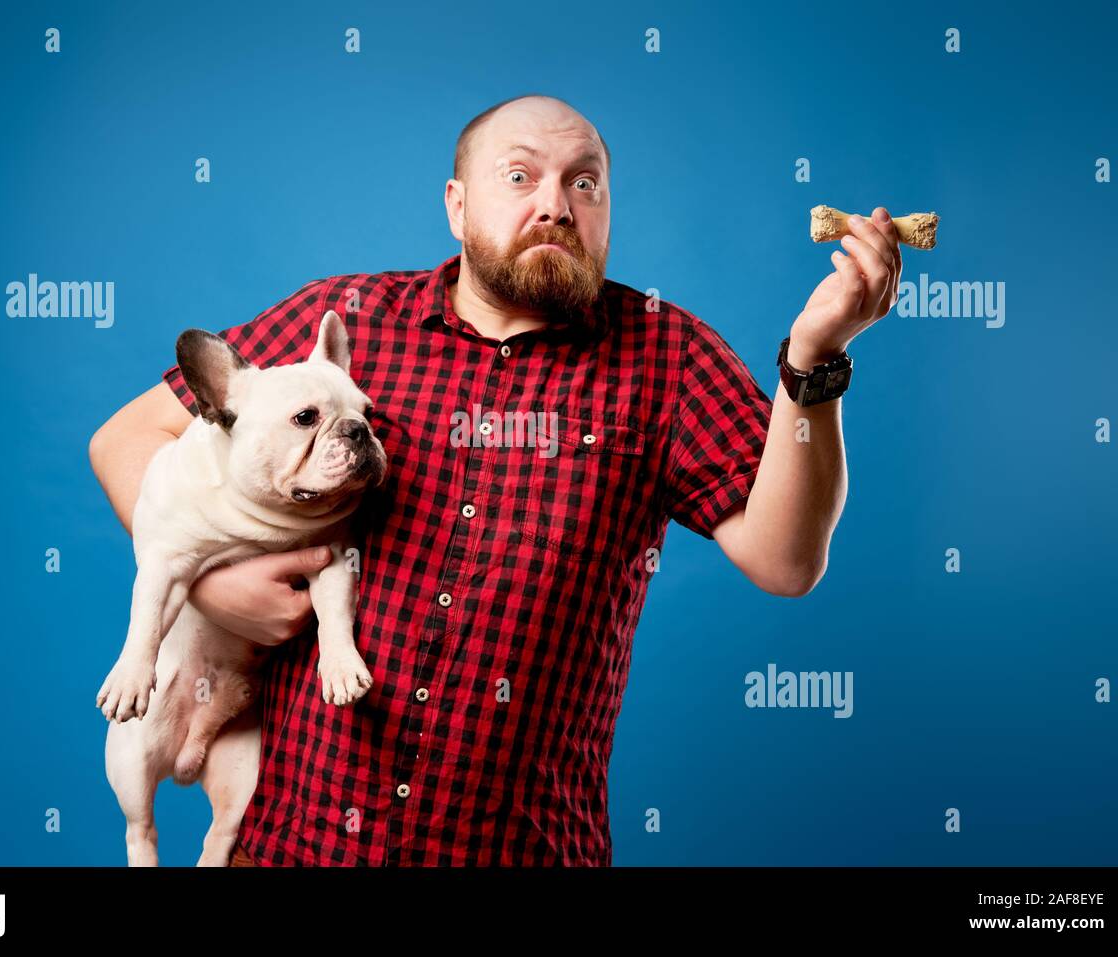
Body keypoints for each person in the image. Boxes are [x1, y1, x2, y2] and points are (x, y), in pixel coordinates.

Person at [88, 93, 901, 866]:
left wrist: (815, 362)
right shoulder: (347, 319)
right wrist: (210, 585)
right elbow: (127, 437)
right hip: (293, 840)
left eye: (585, 183)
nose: (555, 204)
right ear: (456, 204)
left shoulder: (667, 353)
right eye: (520, 177)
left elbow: (787, 560)